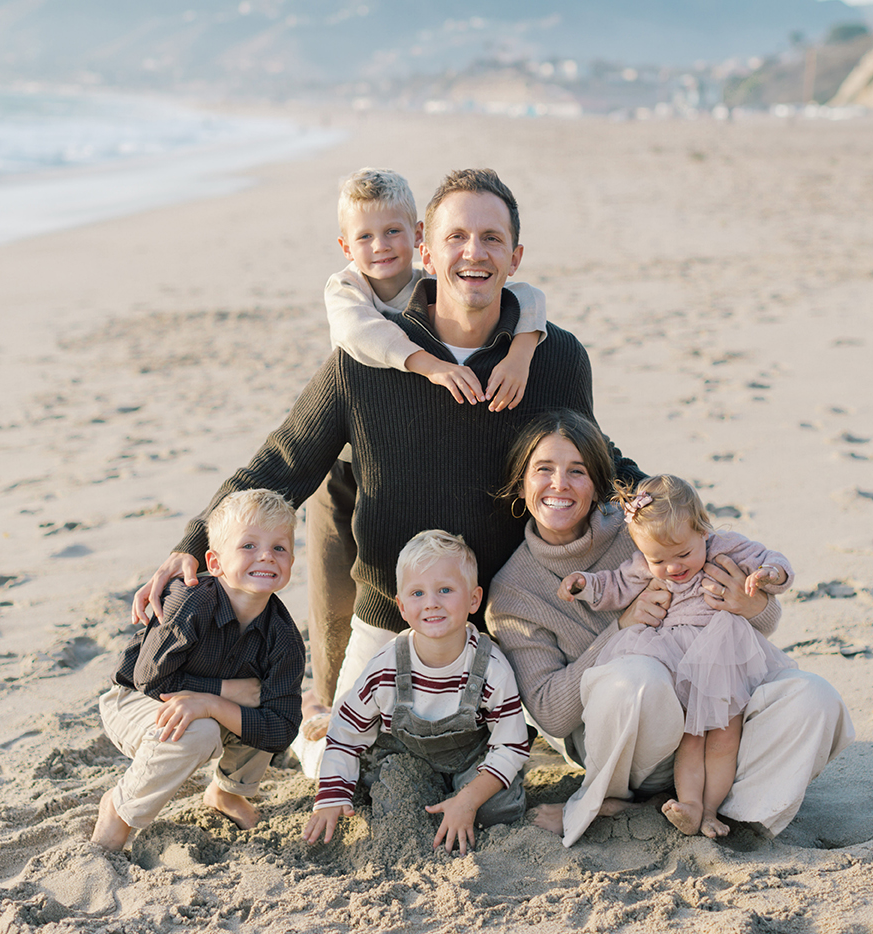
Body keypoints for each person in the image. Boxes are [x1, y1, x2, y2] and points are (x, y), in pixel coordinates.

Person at [131, 169, 641, 746]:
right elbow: (281, 465)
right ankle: (312, 713)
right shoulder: (365, 357)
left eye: (492, 239)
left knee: (576, 746)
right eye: (456, 237)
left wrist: (683, 523)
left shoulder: (555, 356)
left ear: (515, 257)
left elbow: (601, 463)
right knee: (337, 767)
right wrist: (192, 541)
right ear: (426, 248)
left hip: (512, 615)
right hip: (391, 613)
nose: (474, 253)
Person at [485, 411, 855, 848]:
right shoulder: (513, 590)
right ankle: (626, 798)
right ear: (521, 482)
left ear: (600, 481)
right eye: (543, 470)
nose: (560, 484)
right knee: (637, 678)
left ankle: (727, 811)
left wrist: (748, 601)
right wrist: (620, 628)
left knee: (815, 698)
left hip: (716, 715)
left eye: (577, 471)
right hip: (632, 749)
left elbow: (764, 623)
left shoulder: (647, 529)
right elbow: (549, 712)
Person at [304, 167, 547, 743]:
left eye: (392, 234)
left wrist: (523, 348)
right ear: (345, 246)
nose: (379, 248)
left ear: (416, 239)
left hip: (403, 445)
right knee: (336, 576)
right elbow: (363, 339)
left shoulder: (432, 279)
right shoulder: (347, 292)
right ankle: (324, 693)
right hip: (345, 453)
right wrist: (430, 365)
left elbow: (529, 296)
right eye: (364, 238)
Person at [558, 475, 795, 838]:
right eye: (659, 560)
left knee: (724, 738)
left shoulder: (723, 547)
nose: (673, 568)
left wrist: (770, 573)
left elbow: (767, 557)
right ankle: (691, 806)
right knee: (691, 739)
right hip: (674, 657)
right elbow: (616, 585)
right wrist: (586, 585)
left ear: (703, 530)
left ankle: (712, 810)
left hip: (722, 656)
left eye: (683, 554)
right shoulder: (643, 564)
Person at [92, 489, 304, 850]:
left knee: (261, 709)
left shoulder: (284, 637)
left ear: (291, 561)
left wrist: (211, 703)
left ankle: (228, 793)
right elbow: (150, 677)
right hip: (134, 700)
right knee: (200, 730)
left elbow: (282, 727)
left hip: (195, 706)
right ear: (215, 562)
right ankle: (119, 809)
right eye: (249, 546)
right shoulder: (189, 600)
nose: (266, 555)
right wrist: (225, 693)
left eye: (279, 548)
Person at [303, 530, 528, 856]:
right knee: (389, 801)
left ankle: (460, 798)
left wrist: (468, 800)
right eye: (418, 593)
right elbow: (346, 733)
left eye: (446, 590)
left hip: (471, 762)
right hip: (406, 758)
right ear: (402, 606)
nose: (432, 603)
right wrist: (330, 797)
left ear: (474, 599)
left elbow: (512, 745)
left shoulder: (491, 667)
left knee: (498, 811)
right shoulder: (386, 667)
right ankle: (314, 714)